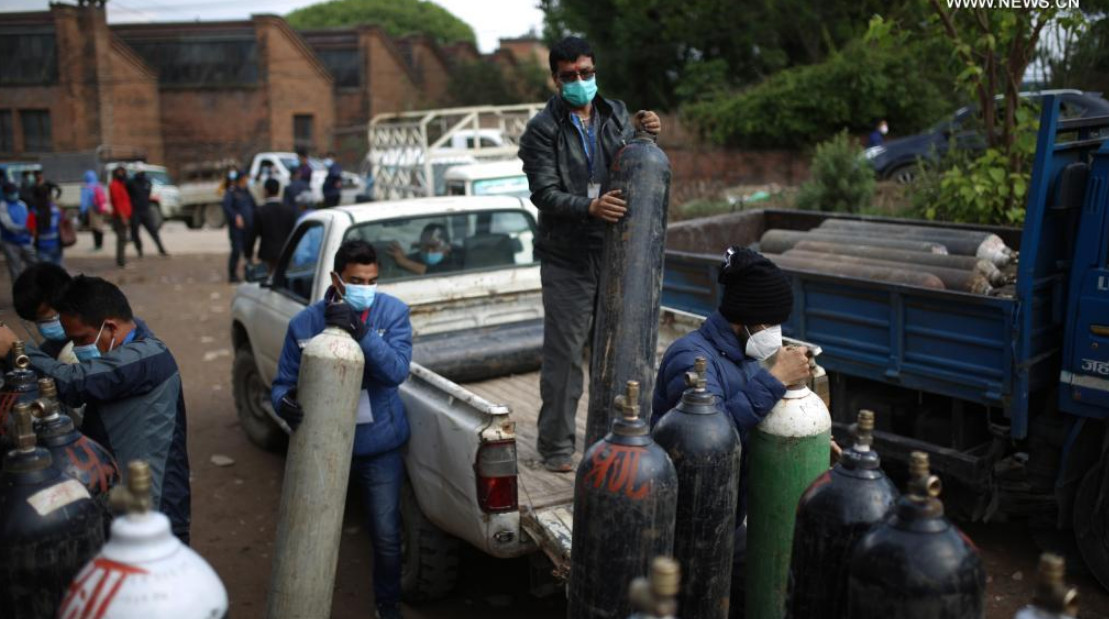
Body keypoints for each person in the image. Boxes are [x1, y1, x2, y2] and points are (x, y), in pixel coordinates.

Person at [517, 35, 663, 472]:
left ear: (594, 69)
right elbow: (544, 193)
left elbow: (631, 156)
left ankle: (616, 434)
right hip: (568, 257)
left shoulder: (614, 112)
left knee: (617, 351)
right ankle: (557, 447)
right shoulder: (541, 130)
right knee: (564, 358)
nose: (580, 81)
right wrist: (590, 207)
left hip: (616, 254)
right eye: (570, 76)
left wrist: (646, 129)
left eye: (586, 72)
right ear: (556, 78)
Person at [651, 246, 813, 619]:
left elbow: (758, 421)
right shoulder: (690, 359)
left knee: (780, 580)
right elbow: (708, 442)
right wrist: (774, 380)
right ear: (747, 321)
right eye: (771, 323)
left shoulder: (747, 359)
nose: (776, 333)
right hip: (685, 524)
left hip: (726, 518)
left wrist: (808, 440)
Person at [271, 240, 411, 619]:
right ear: (336, 279)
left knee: (385, 535)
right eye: (356, 280)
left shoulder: (392, 313)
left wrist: (362, 334)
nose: (366, 287)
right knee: (312, 528)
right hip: (322, 445)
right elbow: (283, 382)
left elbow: (397, 371)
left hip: (378, 446)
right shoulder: (304, 325)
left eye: (372, 279)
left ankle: (387, 606)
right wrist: (282, 403)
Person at [0, 275, 191, 543]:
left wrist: (15, 350)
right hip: (122, 502)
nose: (78, 349)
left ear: (110, 327)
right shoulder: (129, 350)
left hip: (155, 511)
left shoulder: (148, 357)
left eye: (82, 339)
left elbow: (73, 383)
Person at [12, 262, 77, 363]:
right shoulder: (49, 349)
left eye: (46, 320)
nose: (43, 327)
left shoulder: (94, 342)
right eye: (37, 322)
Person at [254, 178, 297, 272]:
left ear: (266, 191)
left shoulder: (260, 211)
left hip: (267, 254)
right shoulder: (289, 211)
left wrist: (248, 254)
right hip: (286, 253)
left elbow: (253, 235)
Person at [386, 223, 464, 276]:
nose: (429, 252)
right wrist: (399, 256)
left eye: (434, 247)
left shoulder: (456, 260)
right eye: (425, 246)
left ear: (447, 248)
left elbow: (432, 272)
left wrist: (404, 262)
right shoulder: (417, 257)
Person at [222, 169, 256, 283]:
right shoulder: (231, 192)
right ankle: (232, 275)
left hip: (248, 227)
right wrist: (236, 216)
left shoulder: (247, 192)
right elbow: (227, 207)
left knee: (248, 252)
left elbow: (253, 206)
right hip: (236, 228)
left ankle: (249, 273)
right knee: (236, 250)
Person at [126, 170, 169, 258]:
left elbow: (148, 194)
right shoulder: (131, 183)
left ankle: (161, 249)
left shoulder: (147, 182)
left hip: (145, 210)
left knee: (153, 231)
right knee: (135, 233)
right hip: (135, 211)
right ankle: (139, 251)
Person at [1, 182, 37, 280]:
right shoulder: (2, 206)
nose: (14, 194)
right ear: (5, 194)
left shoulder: (22, 204)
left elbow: (28, 220)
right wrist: (26, 229)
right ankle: (18, 292)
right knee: (15, 270)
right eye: (11, 192)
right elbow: (9, 226)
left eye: (15, 192)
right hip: (10, 243)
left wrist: (31, 233)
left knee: (35, 265)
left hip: (26, 241)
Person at [30, 183, 64, 265]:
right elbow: (62, 224)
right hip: (56, 245)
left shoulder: (33, 212)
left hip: (42, 247)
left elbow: (33, 233)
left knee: (47, 273)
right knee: (58, 271)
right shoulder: (56, 209)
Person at [108, 166, 132, 268]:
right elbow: (117, 202)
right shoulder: (114, 185)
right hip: (119, 216)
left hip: (124, 215)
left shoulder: (121, 184)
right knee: (121, 239)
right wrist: (123, 216)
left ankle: (122, 260)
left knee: (123, 239)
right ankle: (121, 262)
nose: (122, 175)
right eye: (120, 173)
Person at [80, 170, 107, 251]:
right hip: (100, 208)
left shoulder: (87, 187)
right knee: (99, 227)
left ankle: (97, 245)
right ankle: (100, 245)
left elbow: (84, 201)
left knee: (94, 227)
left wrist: (83, 211)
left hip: (92, 209)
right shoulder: (99, 186)